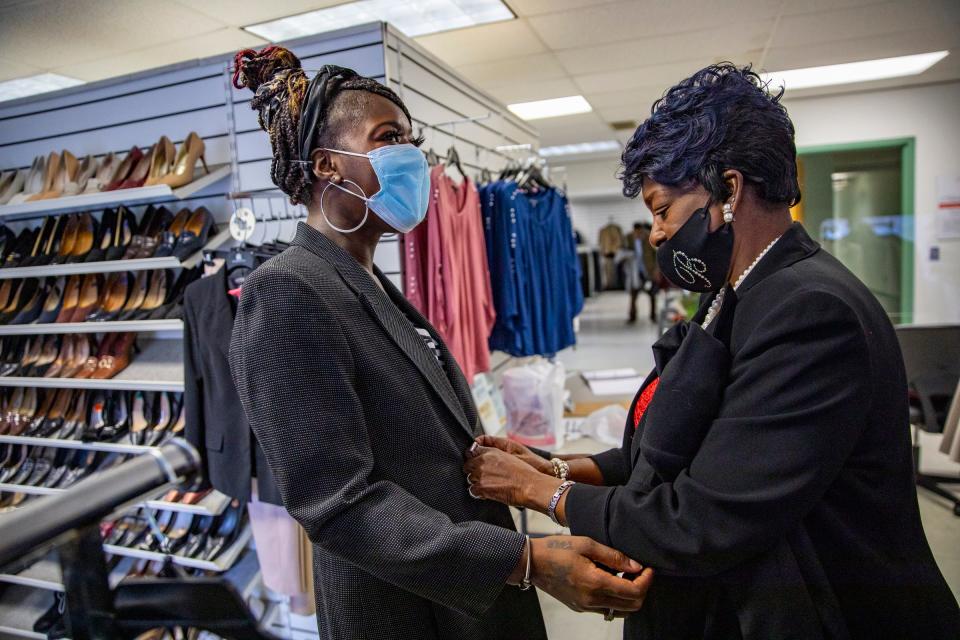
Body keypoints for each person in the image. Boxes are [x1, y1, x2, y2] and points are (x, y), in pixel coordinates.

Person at [464, 63, 960, 639]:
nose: (654, 235)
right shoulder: (738, 290)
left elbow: (701, 519)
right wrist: (558, 465)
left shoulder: (811, 313)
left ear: (728, 190)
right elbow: (677, 449)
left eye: (661, 209)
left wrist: (543, 494)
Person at [227, 46, 653, 640]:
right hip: (401, 609)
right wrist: (525, 561)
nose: (412, 158)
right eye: (389, 138)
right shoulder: (288, 291)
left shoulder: (365, 280)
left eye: (412, 141)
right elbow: (338, 504)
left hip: (459, 592)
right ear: (328, 164)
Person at [627, 222, 659, 324]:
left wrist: (656, 270)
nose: (638, 234)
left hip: (649, 270)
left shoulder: (649, 237)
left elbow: (656, 254)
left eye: (640, 232)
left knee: (652, 294)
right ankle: (632, 316)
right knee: (633, 295)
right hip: (635, 271)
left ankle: (653, 316)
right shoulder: (629, 238)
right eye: (636, 232)